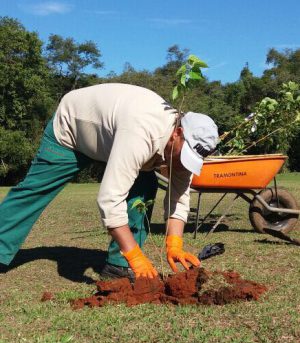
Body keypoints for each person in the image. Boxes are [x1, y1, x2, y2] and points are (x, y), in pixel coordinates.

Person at [0, 83, 219, 281]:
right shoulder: (141, 131)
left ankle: (118, 267)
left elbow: (179, 196)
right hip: (73, 127)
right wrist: (135, 255)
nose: (184, 163)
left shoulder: (181, 151)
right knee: (34, 190)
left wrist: (175, 243)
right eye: (184, 155)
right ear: (177, 133)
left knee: (143, 190)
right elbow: (109, 199)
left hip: (114, 137)